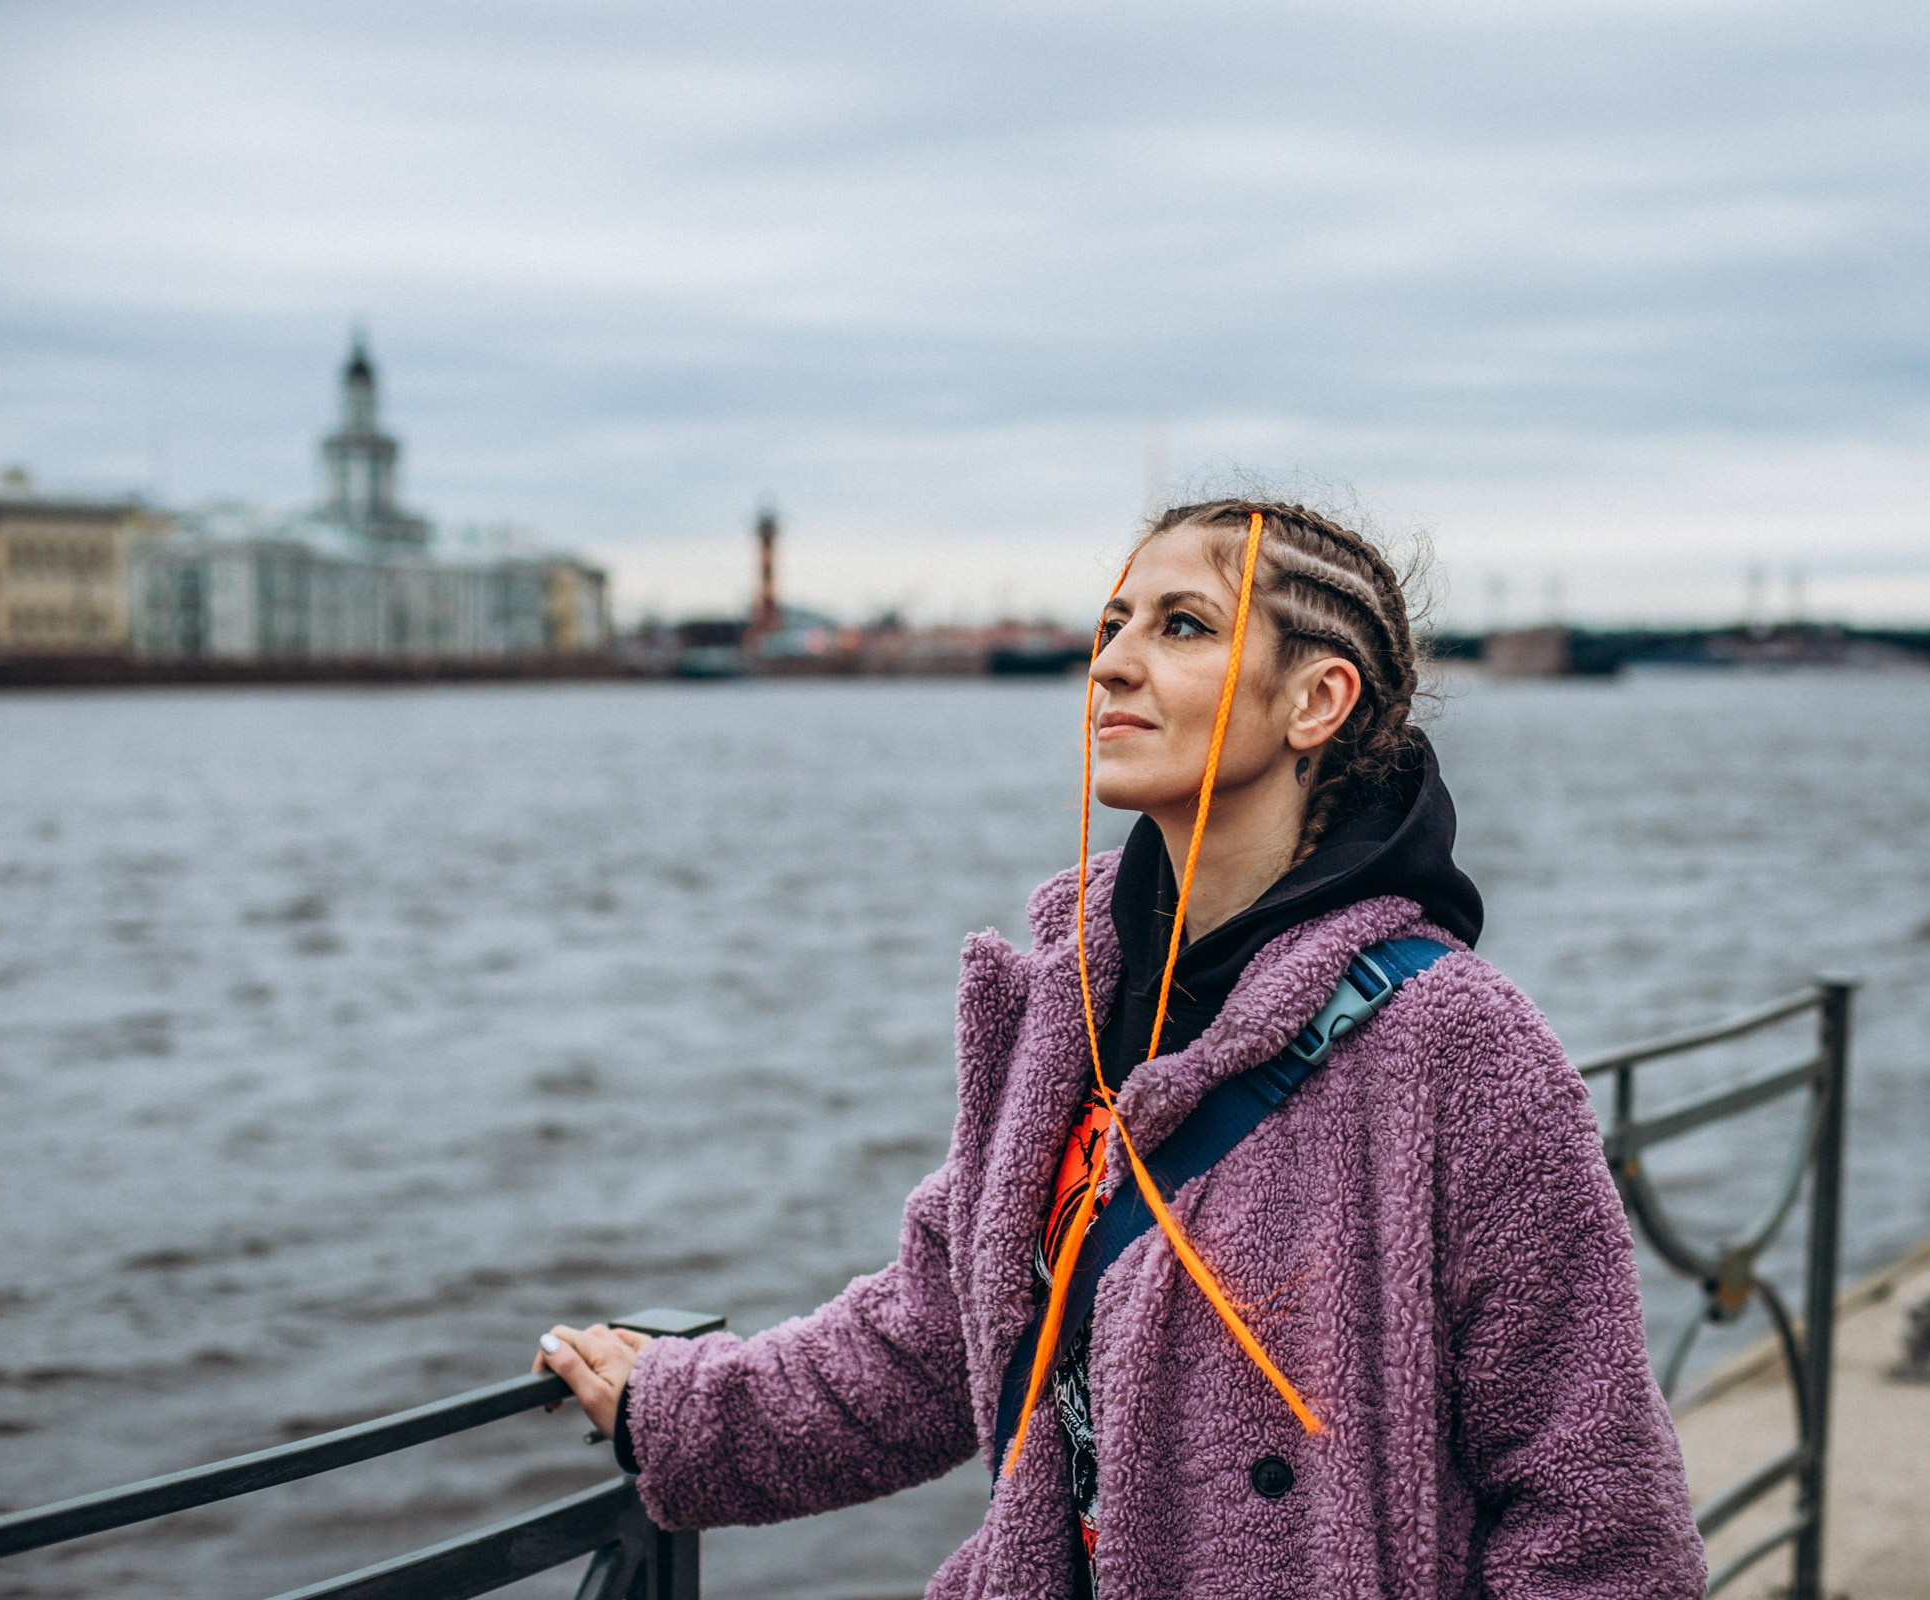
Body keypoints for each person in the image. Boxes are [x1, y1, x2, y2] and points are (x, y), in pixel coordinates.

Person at [536, 500, 1706, 1598]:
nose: (1112, 663)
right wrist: (682, 1408)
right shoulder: (1068, 1015)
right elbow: (934, 1335)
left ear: (1318, 700)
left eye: (1182, 625)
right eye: (1112, 625)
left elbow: (1597, 1512)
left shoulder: (1458, 1047)